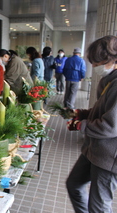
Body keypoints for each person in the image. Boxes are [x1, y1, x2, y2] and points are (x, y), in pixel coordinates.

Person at [65, 35, 117, 213]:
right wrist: (82, 114)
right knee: (74, 184)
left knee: (99, 206)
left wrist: (82, 125)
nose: (95, 67)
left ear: (113, 59)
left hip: (109, 158)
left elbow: (110, 125)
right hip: (93, 149)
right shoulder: (109, 81)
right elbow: (102, 110)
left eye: (98, 63)